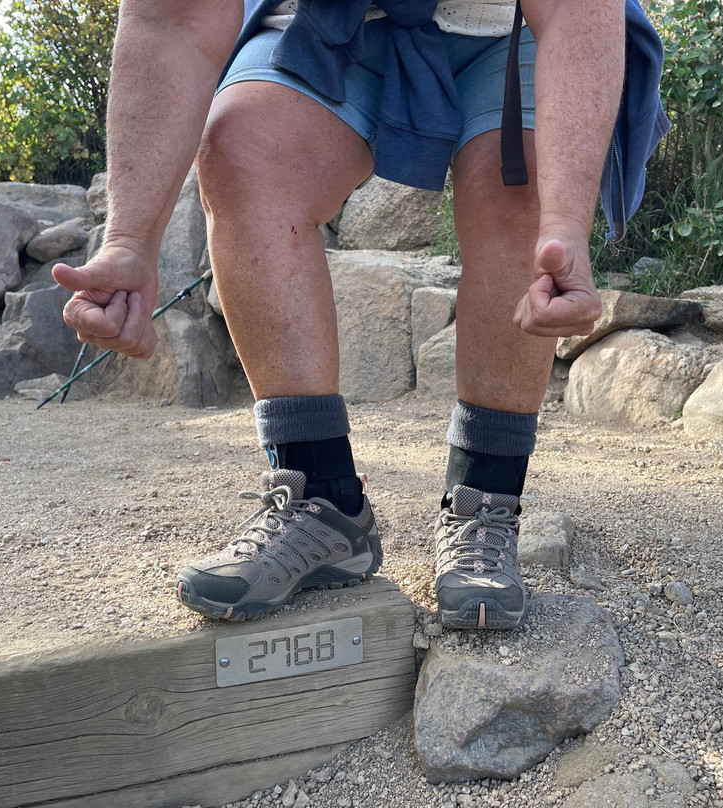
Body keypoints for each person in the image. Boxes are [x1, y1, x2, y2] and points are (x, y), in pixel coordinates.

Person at [53, 0, 667, 630]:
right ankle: (322, 497)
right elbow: (171, 18)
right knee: (244, 146)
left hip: (514, 24)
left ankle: (484, 498)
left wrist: (565, 224)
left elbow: (575, 11)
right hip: (332, 17)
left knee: (523, 194)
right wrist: (129, 241)